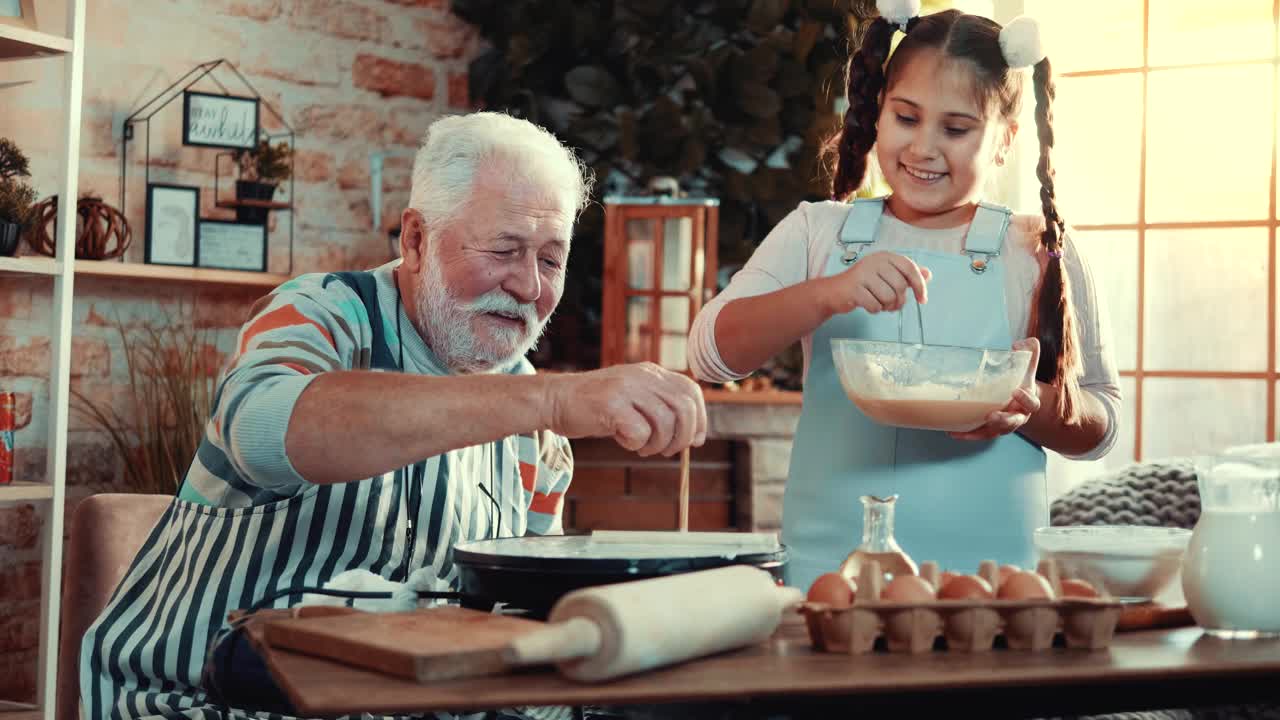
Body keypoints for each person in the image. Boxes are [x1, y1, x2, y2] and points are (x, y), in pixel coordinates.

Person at [81, 111, 707, 719]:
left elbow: (519, 620)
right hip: (204, 701)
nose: (530, 288)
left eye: (550, 260)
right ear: (415, 239)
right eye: (504, 249)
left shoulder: (537, 442)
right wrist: (551, 399)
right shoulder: (321, 315)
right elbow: (263, 430)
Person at [688, 0, 1121, 590]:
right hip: (829, 578)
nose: (924, 148)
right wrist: (826, 294)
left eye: (957, 128)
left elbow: (1102, 422)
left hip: (992, 587)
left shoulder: (1039, 250)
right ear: (877, 112)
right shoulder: (819, 232)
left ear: (1004, 141)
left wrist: (1033, 406)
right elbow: (711, 353)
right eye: (907, 117)